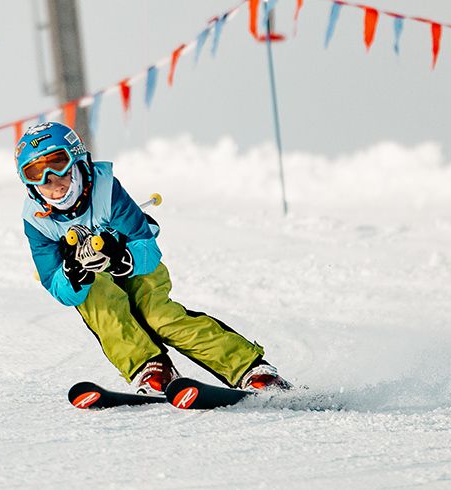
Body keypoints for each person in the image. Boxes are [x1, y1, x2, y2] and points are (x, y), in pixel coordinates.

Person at [17, 122, 291, 395]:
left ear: (77, 161)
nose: (53, 183)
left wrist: (120, 257)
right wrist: (74, 277)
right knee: (100, 306)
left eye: (59, 165)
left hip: (137, 268)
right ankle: (151, 367)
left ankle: (249, 367)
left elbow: (148, 250)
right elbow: (58, 286)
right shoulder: (37, 221)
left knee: (158, 316)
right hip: (95, 282)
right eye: (38, 176)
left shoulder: (105, 190)